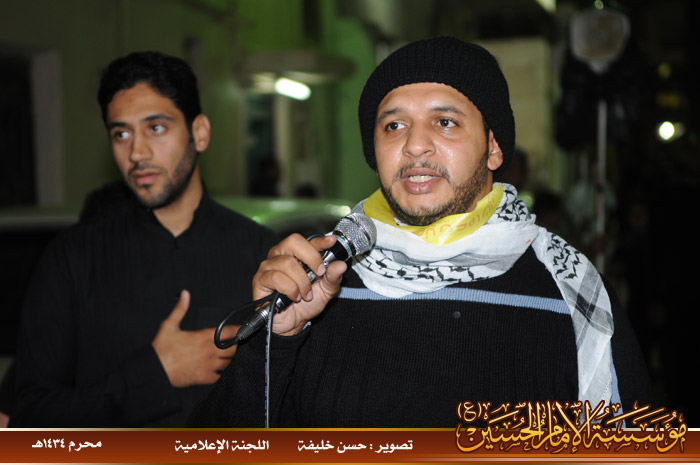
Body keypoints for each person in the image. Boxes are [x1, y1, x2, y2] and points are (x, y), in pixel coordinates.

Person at [188, 37, 649, 427]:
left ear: (493, 147)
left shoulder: (569, 293)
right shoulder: (320, 287)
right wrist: (276, 341)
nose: (414, 144)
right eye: (394, 125)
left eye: (445, 122)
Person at [10, 51, 278, 427]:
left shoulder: (262, 254)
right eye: (121, 133)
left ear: (200, 133)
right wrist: (155, 374)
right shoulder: (74, 259)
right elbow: (30, 419)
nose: (136, 152)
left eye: (156, 128)